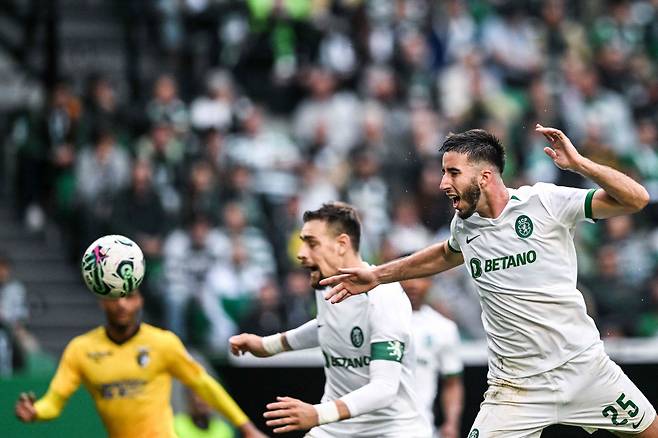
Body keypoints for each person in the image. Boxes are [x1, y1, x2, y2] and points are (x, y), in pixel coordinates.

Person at [321, 125, 658, 437]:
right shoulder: (464, 226)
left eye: (452, 172)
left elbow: (637, 199)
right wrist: (377, 275)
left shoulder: (544, 203)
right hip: (515, 390)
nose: (442, 183)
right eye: (443, 172)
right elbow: (444, 254)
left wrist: (581, 164)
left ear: (483, 177)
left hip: (584, 369)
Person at [229, 202, 431, 437]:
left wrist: (317, 414)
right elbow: (329, 327)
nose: (301, 254)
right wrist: (267, 345)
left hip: (392, 429)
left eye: (312, 243)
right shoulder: (326, 286)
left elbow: (384, 389)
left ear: (341, 245)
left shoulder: (384, 297)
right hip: (336, 428)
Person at [14, 289, 266, 438]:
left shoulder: (162, 343)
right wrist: (37, 411)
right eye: (114, 297)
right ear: (102, 300)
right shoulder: (81, 350)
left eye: (129, 296)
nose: (122, 304)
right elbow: (55, 401)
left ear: (139, 301)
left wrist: (246, 428)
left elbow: (203, 384)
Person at [401, 275, 464, 438]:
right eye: (406, 277)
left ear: (431, 283)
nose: (413, 284)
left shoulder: (443, 327)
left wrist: (451, 423)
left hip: (420, 430)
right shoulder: (374, 319)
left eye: (421, 277)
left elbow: (452, 383)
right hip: (374, 428)